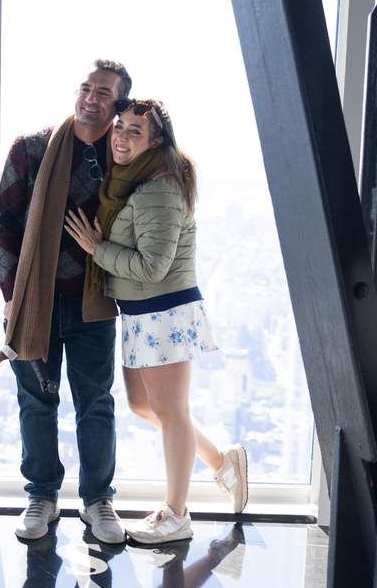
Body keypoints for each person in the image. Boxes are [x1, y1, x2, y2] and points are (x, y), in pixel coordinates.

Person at [64, 98, 248, 546]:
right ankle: (222, 463)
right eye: (119, 128)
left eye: (134, 132)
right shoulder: (134, 182)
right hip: (142, 314)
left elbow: (152, 267)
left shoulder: (159, 190)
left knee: (170, 412)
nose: (122, 137)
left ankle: (176, 514)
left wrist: (95, 248)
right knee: (146, 407)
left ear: (156, 141)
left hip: (164, 312)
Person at [0, 60, 132, 545]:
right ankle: (42, 495)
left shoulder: (124, 160)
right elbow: (6, 227)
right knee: (36, 401)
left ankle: (98, 500)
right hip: (35, 303)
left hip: (94, 303)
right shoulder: (33, 148)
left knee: (95, 403)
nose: (91, 97)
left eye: (103, 92)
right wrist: (12, 296)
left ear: (118, 106)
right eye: (86, 87)